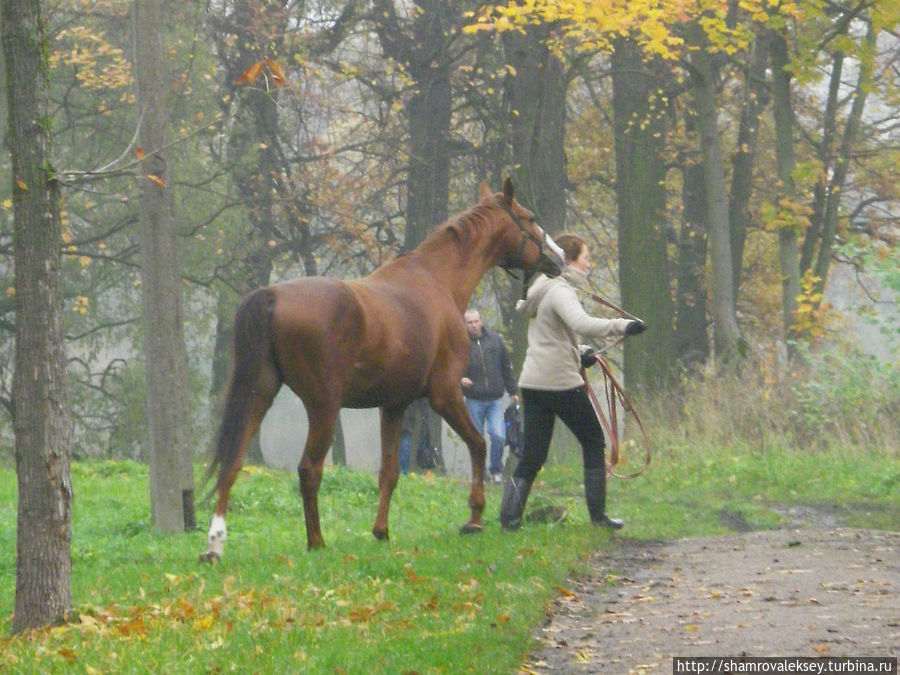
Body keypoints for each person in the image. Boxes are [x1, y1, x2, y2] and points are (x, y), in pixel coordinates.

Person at [500, 233, 646, 531]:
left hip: (534, 382)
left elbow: (551, 338)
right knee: (593, 441)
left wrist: (580, 353)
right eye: (585, 259)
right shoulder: (560, 290)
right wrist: (624, 325)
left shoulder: (541, 288)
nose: (588, 265)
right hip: (560, 383)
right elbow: (581, 323)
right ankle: (598, 518)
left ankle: (509, 520)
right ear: (568, 261)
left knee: (533, 454)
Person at [461, 309, 519, 484]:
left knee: (498, 436)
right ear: (465, 324)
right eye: (470, 322)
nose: (473, 325)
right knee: (476, 440)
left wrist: (513, 391)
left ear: (481, 321)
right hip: (473, 399)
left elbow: (506, 367)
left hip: (495, 399)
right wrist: (459, 379)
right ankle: (480, 473)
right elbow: (452, 367)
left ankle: (496, 471)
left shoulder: (495, 340)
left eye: (476, 321)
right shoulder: (461, 343)